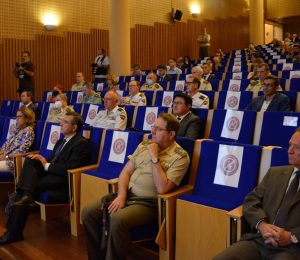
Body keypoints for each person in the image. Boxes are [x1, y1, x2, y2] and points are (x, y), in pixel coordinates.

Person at [82, 113, 190, 260]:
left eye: (158, 129)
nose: (152, 132)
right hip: (127, 195)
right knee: (88, 212)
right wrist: (121, 195)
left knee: (118, 219)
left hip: (148, 204)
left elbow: (163, 188)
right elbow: (125, 172)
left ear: (171, 134)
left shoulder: (180, 156)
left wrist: (154, 158)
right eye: (153, 127)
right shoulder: (144, 145)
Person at [0, 112, 90, 244]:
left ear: (74, 127)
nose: (61, 124)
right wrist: (43, 160)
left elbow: (68, 169)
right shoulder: (61, 141)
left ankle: (13, 232)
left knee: (24, 190)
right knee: (30, 160)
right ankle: (26, 199)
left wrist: (46, 165)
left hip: (63, 180)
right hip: (50, 174)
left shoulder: (81, 144)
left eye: (65, 122)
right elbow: (52, 160)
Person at [214, 128, 300, 260]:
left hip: (292, 249)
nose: (290, 151)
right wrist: (262, 225)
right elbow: (251, 201)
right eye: (290, 145)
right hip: (261, 240)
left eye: (297, 147)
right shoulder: (275, 173)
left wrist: (292, 236)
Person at [0, 106, 35, 173]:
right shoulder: (17, 130)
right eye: (16, 117)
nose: (16, 119)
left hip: (12, 162)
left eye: (19, 117)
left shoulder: (29, 132)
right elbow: (5, 146)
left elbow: (21, 153)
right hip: (4, 157)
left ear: (27, 119)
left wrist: (6, 157)